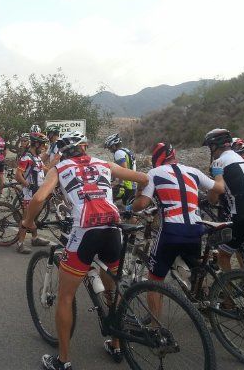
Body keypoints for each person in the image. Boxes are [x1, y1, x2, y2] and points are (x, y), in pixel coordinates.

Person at [21, 131, 148, 370]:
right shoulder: (104, 163)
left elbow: (38, 198)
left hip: (85, 231)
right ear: (85, 147)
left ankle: (63, 361)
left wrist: (28, 221)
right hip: (113, 227)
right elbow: (144, 178)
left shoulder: (58, 169)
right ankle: (117, 343)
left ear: (61, 152)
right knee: (111, 288)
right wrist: (137, 202)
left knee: (66, 296)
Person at [130, 142, 224, 338]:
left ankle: (155, 330)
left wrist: (135, 200)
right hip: (196, 229)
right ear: (174, 155)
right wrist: (218, 173)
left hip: (171, 230)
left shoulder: (154, 173)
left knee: (154, 279)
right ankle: (204, 301)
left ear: (157, 159)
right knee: (196, 267)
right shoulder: (193, 171)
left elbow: (142, 205)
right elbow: (219, 189)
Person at [202, 128, 244, 271]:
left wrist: (209, 197)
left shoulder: (218, 163)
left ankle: (229, 291)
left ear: (214, 146)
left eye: (210, 147)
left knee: (223, 255)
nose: (211, 151)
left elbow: (214, 198)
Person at [15, 132, 51, 254]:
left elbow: (44, 169)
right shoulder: (27, 158)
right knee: (26, 218)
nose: (43, 147)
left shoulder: (36, 157)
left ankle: (34, 238)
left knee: (33, 216)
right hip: (30, 193)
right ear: (36, 143)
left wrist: (56, 171)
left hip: (38, 192)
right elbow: (18, 175)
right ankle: (20, 244)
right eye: (42, 145)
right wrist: (28, 186)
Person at [103, 133, 137, 207]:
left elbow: (123, 170)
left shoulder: (118, 153)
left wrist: (117, 182)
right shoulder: (126, 150)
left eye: (109, 147)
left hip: (126, 186)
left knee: (105, 200)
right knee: (128, 211)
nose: (109, 150)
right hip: (132, 184)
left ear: (114, 145)